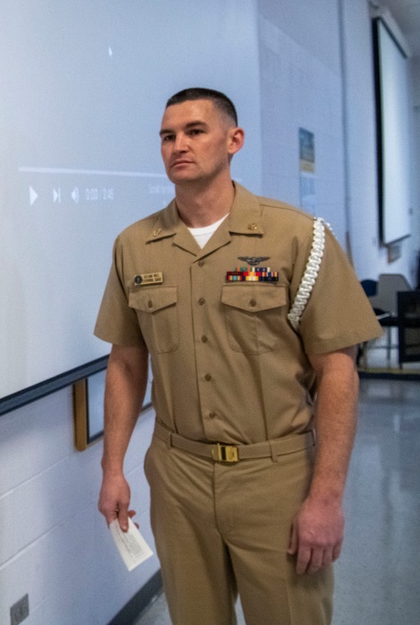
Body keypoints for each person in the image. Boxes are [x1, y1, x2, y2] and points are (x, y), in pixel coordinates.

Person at [94, 87, 382, 625]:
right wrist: (113, 468)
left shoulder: (297, 238)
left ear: (234, 140)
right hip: (178, 478)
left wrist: (326, 498)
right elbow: (126, 362)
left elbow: (338, 370)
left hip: (276, 478)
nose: (178, 144)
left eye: (195, 131)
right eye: (167, 136)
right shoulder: (135, 246)